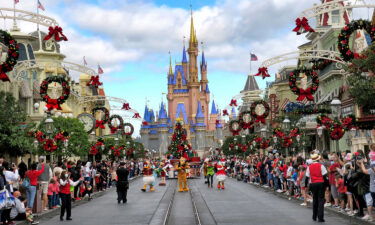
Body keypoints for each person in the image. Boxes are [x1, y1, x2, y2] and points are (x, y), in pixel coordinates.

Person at [306, 153, 328, 222]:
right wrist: (327, 185)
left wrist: (307, 186)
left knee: (315, 199)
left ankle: (314, 216)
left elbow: (307, 177)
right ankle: (320, 217)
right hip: (320, 183)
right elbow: (325, 176)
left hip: (313, 184)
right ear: (318, 159)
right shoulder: (321, 166)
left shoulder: (309, 167)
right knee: (321, 200)